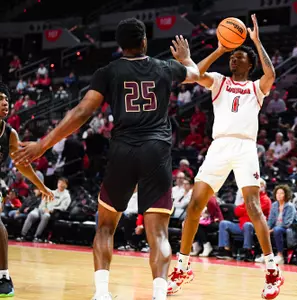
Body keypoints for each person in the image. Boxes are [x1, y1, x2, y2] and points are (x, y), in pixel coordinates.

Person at [12, 18, 200, 300]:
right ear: (145, 42)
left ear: (119, 45)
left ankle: (102, 293)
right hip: (157, 151)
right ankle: (159, 295)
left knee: (105, 226)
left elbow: (81, 112)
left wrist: (43, 144)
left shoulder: (108, 71)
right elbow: (195, 74)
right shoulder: (164, 67)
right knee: (158, 234)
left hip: (123, 150)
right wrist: (185, 57)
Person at [166, 14, 283, 299]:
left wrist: (255, 41)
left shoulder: (256, 87)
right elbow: (192, 75)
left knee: (254, 207)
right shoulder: (218, 81)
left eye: (239, 57)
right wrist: (219, 48)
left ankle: (272, 271)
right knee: (194, 205)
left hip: (244, 148)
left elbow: (271, 76)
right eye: (232, 57)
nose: (234, 60)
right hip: (219, 147)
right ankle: (182, 266)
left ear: (249, 63)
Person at [0, 82, 53, 297]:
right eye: (0, 98)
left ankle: (3, 275)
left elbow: (23, 165)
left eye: (6, 99)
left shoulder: (9, 133)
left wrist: (42, 186)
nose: (5, 103)